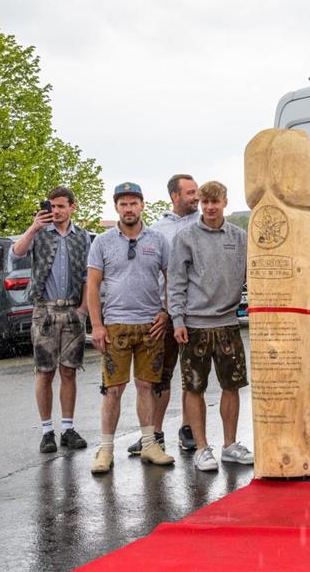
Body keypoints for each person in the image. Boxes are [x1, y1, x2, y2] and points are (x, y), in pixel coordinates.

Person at [87, 182, 175, 475]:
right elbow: (94, 284)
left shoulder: (159, 240)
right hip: (116, 325)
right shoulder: (102, 242)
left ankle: (150, 444)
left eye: (133, 202)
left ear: (142, 205)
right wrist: (97, 325)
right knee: (113, 389)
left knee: (147, 385)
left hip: (151, 324)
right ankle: (106, 449)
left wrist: (166, 312)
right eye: (123, 203)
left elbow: (170, 279)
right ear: (116, 207)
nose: (128, 208)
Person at [168, 181, 253, 472]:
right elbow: (176, 281)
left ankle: (230, 445)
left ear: (225, 202)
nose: (210, 207)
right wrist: (177, 319)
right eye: (205, 202)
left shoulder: (240, 237)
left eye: (215, 202)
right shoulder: (186, 237)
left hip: (229, 323)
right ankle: (203, 448)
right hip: (195, 326)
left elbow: (250, 276)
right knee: (195, 388)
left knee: (232, 386)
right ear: (201, 203)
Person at [10, 186, 91, 454]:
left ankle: (67, 428)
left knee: (69, 371)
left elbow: (87, 278)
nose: (55, 211)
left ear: (72, 208)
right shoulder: (40, 233)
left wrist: (83, 310)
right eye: (52, 206)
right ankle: (47, 431)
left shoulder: (82, 237)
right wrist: (33, 227)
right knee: (45, 371)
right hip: (44, 310)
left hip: (71, 311)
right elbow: (16, 253)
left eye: (61, 206)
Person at [127, 174, 200, 458]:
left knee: (193, 376)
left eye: (197, 192)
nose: (196, 197)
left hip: (197, 312)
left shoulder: (204, 223)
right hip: (166, 314)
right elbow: (154, 275)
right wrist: (160, 310)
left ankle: (189, 429)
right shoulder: (158, 231)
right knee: (161, 376)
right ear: (175, 196)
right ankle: (155, 435)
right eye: (191, 192)